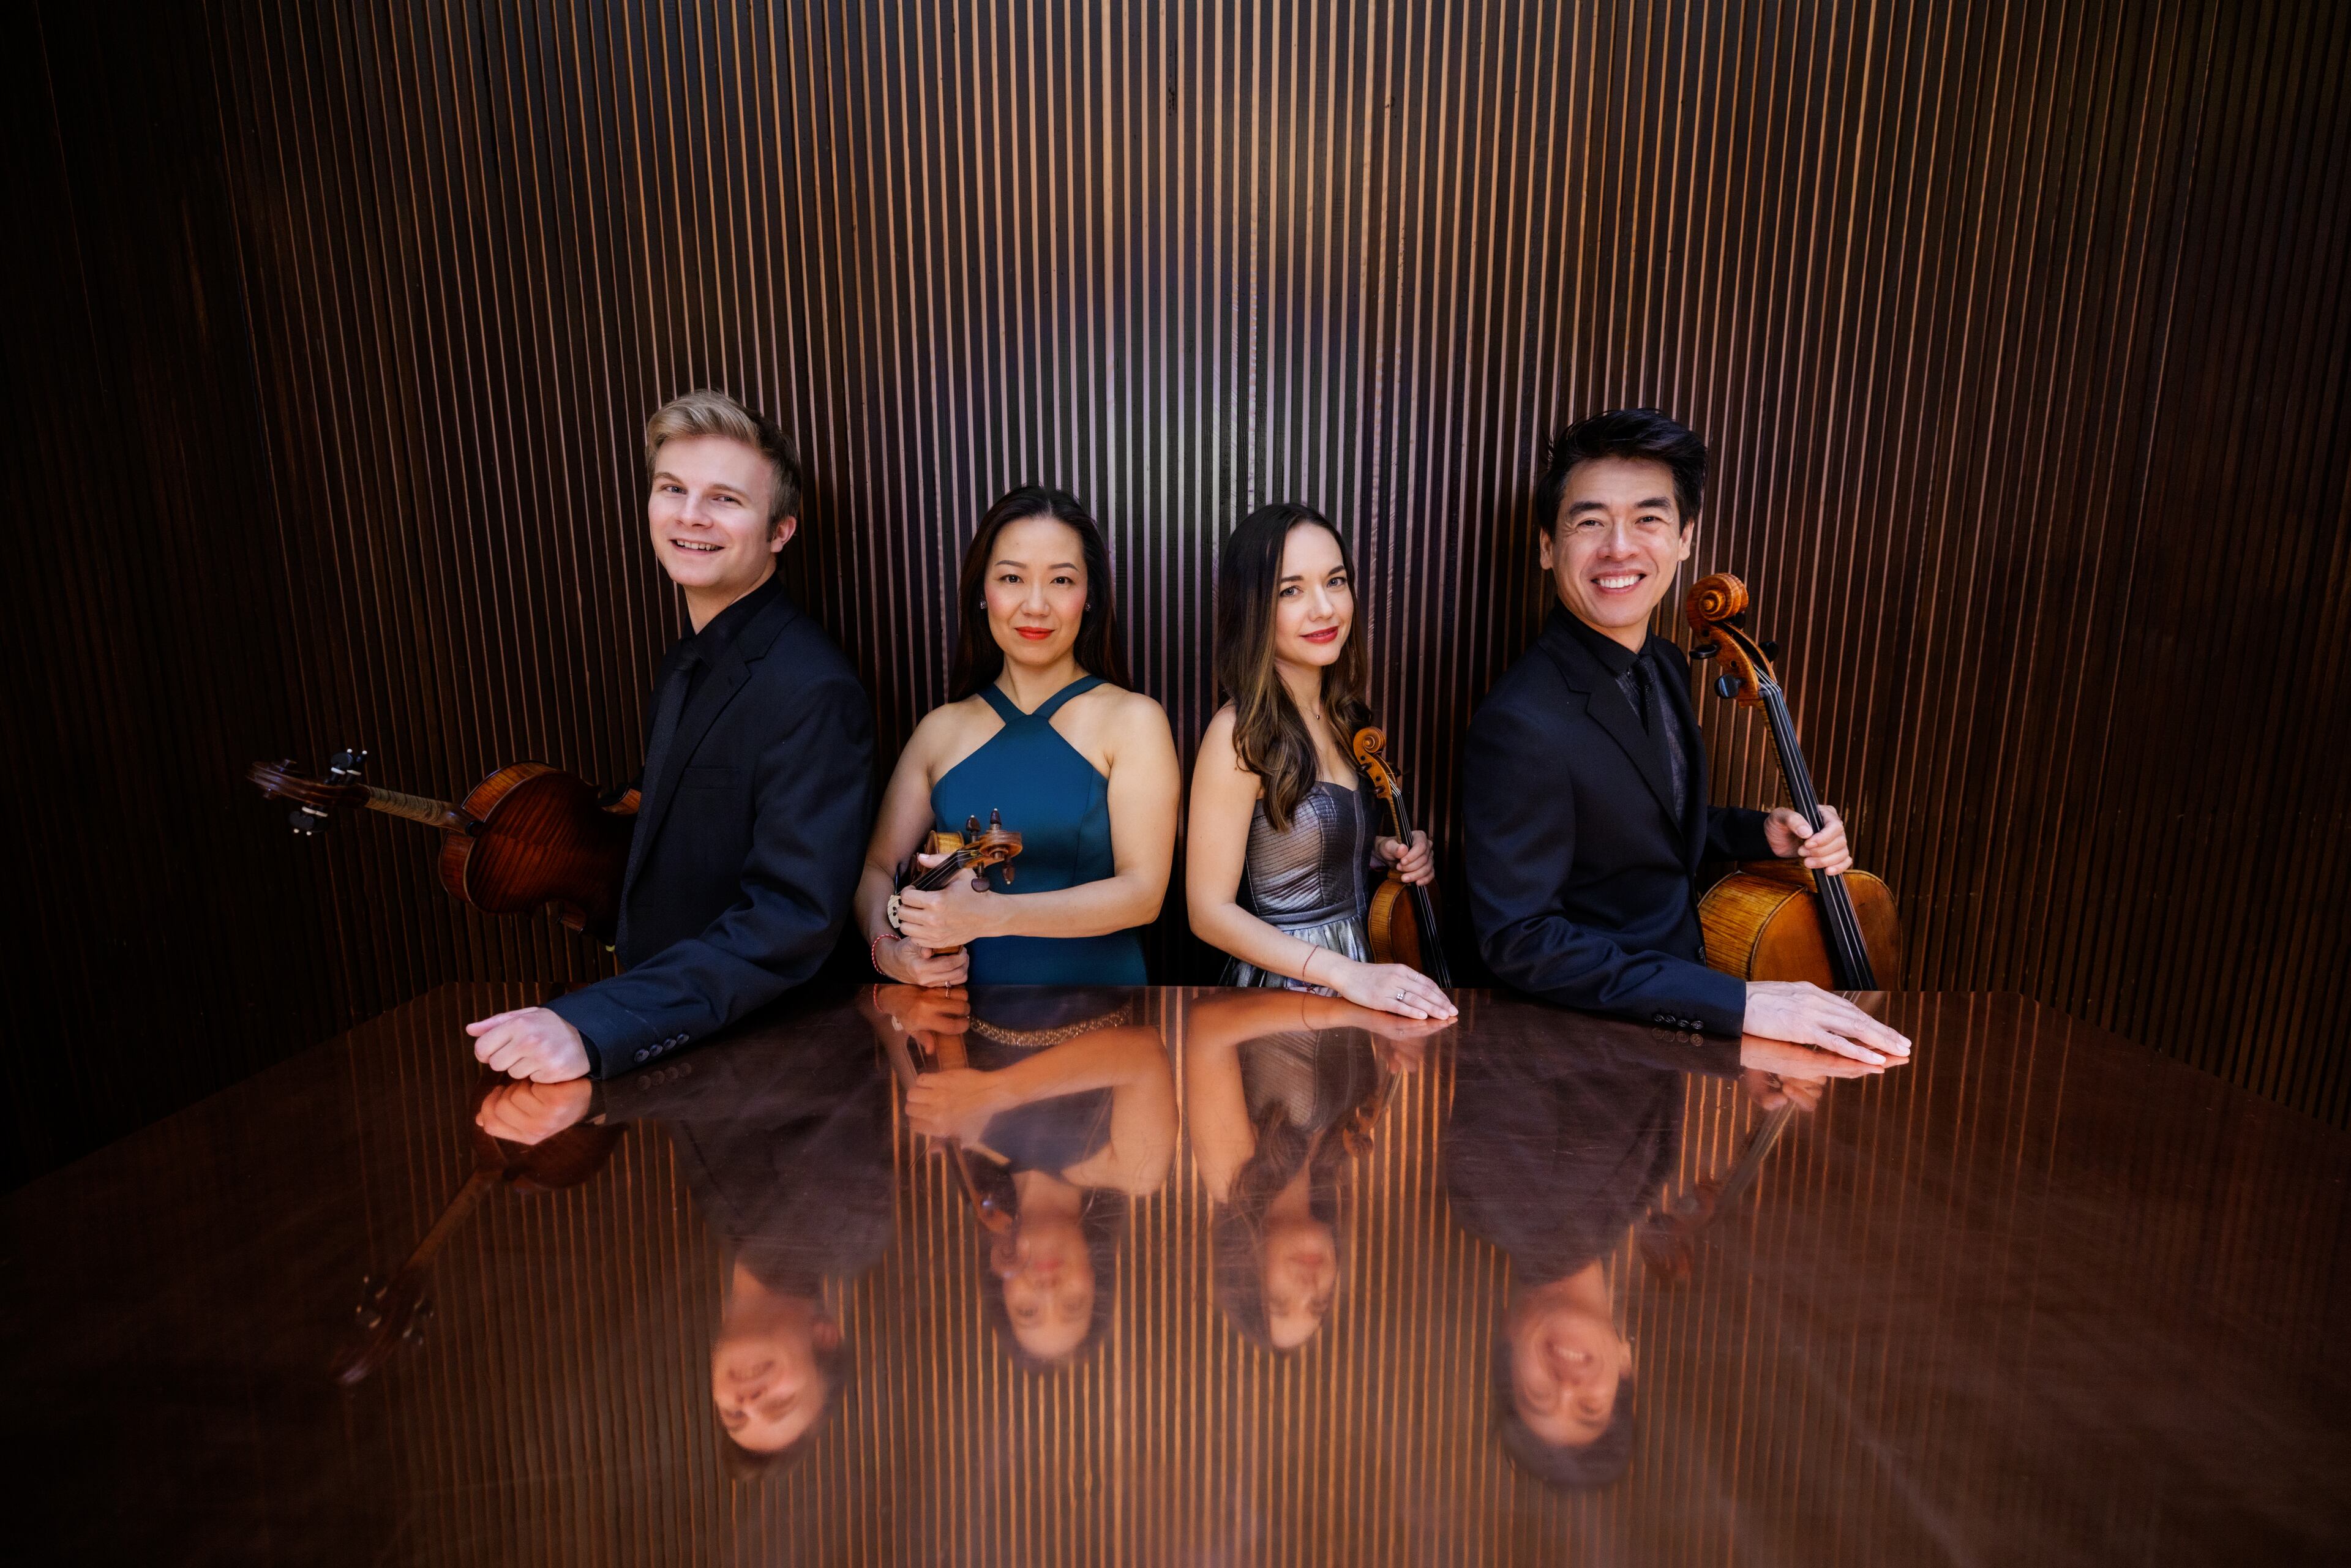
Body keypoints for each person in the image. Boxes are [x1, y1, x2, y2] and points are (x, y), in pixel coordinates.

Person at [1463, 408, 1910, 1064]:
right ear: (1547, 546)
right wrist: (1741, 1002)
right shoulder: (1519, 722)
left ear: (1685, 539)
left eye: (1648, 518)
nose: (1620, 547)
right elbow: (1521, 938)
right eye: (1590, 521)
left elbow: (1639, 819)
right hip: (1572, 1069)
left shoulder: (1666, 662)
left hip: (1661, 1050)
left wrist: (1761, 832)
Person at [465, 389, 876, 1082]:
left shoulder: (815, 689)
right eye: (672, 488)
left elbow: (790, 917)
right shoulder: (688, 657)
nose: (690, 515)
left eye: (725, 499)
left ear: (780, 531)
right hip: (697, 1051)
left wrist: (597, 1023)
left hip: (780, 1080)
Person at [1442, 994, 1886, 1490]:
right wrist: (1743, 1059)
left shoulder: (1491, 1202)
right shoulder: (1627, 1211)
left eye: (1538, 1396)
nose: (1568, 1386)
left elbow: (1531, 1023)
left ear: (1504, 1345)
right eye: (1590, 1408)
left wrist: (1734, 1046)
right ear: (1626, 1364)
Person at [478, 1002, 892, 1477]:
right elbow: (825, 1051)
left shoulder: (727, 1239)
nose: (750, 1400)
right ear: (826, 1337)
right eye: (780, 1404)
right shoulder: (845, 1235)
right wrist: (602, 1099)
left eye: (733, 1413)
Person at [857, 487, 1179, 986]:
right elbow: (878, 869)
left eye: (1061, 580)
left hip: (1108, 1034)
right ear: (983, 592)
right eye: (1012, 578)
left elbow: (1143, 894)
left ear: (1089, 595)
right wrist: (890, 952)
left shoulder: (1134, 721)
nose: (1035, 605)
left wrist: (993, 915)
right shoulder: (939, 731)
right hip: (962, 1033)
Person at [1186, 503, 1456, 1021]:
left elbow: (1313, 845)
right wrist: (1343, 973)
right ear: (1254, 607)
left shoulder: (1345, 716)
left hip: (1365, 972)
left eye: (1335, 582)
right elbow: (1208, 912)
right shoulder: (1237, 733)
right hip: (1287, 989)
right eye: (1291, 591)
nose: (1325, 608)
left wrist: (1388, 850)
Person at [868, 985, 1176, 1369]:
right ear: (1099, 1276)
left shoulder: (956, 1134)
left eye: (1027, 1310)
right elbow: (1142, 1053)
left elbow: (874, 1004)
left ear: (1002, 1287)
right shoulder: (1132, 1171)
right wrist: (993, 1093)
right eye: (1072, 1305)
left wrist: (900, 1003)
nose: (1048, 1291)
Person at [1183, 987, 1444, 1353]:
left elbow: (1207, 1025)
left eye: (1279, 1300)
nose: (1309, 1287)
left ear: (1244, 1271)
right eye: (1319, 1303)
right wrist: (1386, 1036)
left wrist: (1351, 1012)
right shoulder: (1331, 1156)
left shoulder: (1232, 1176)